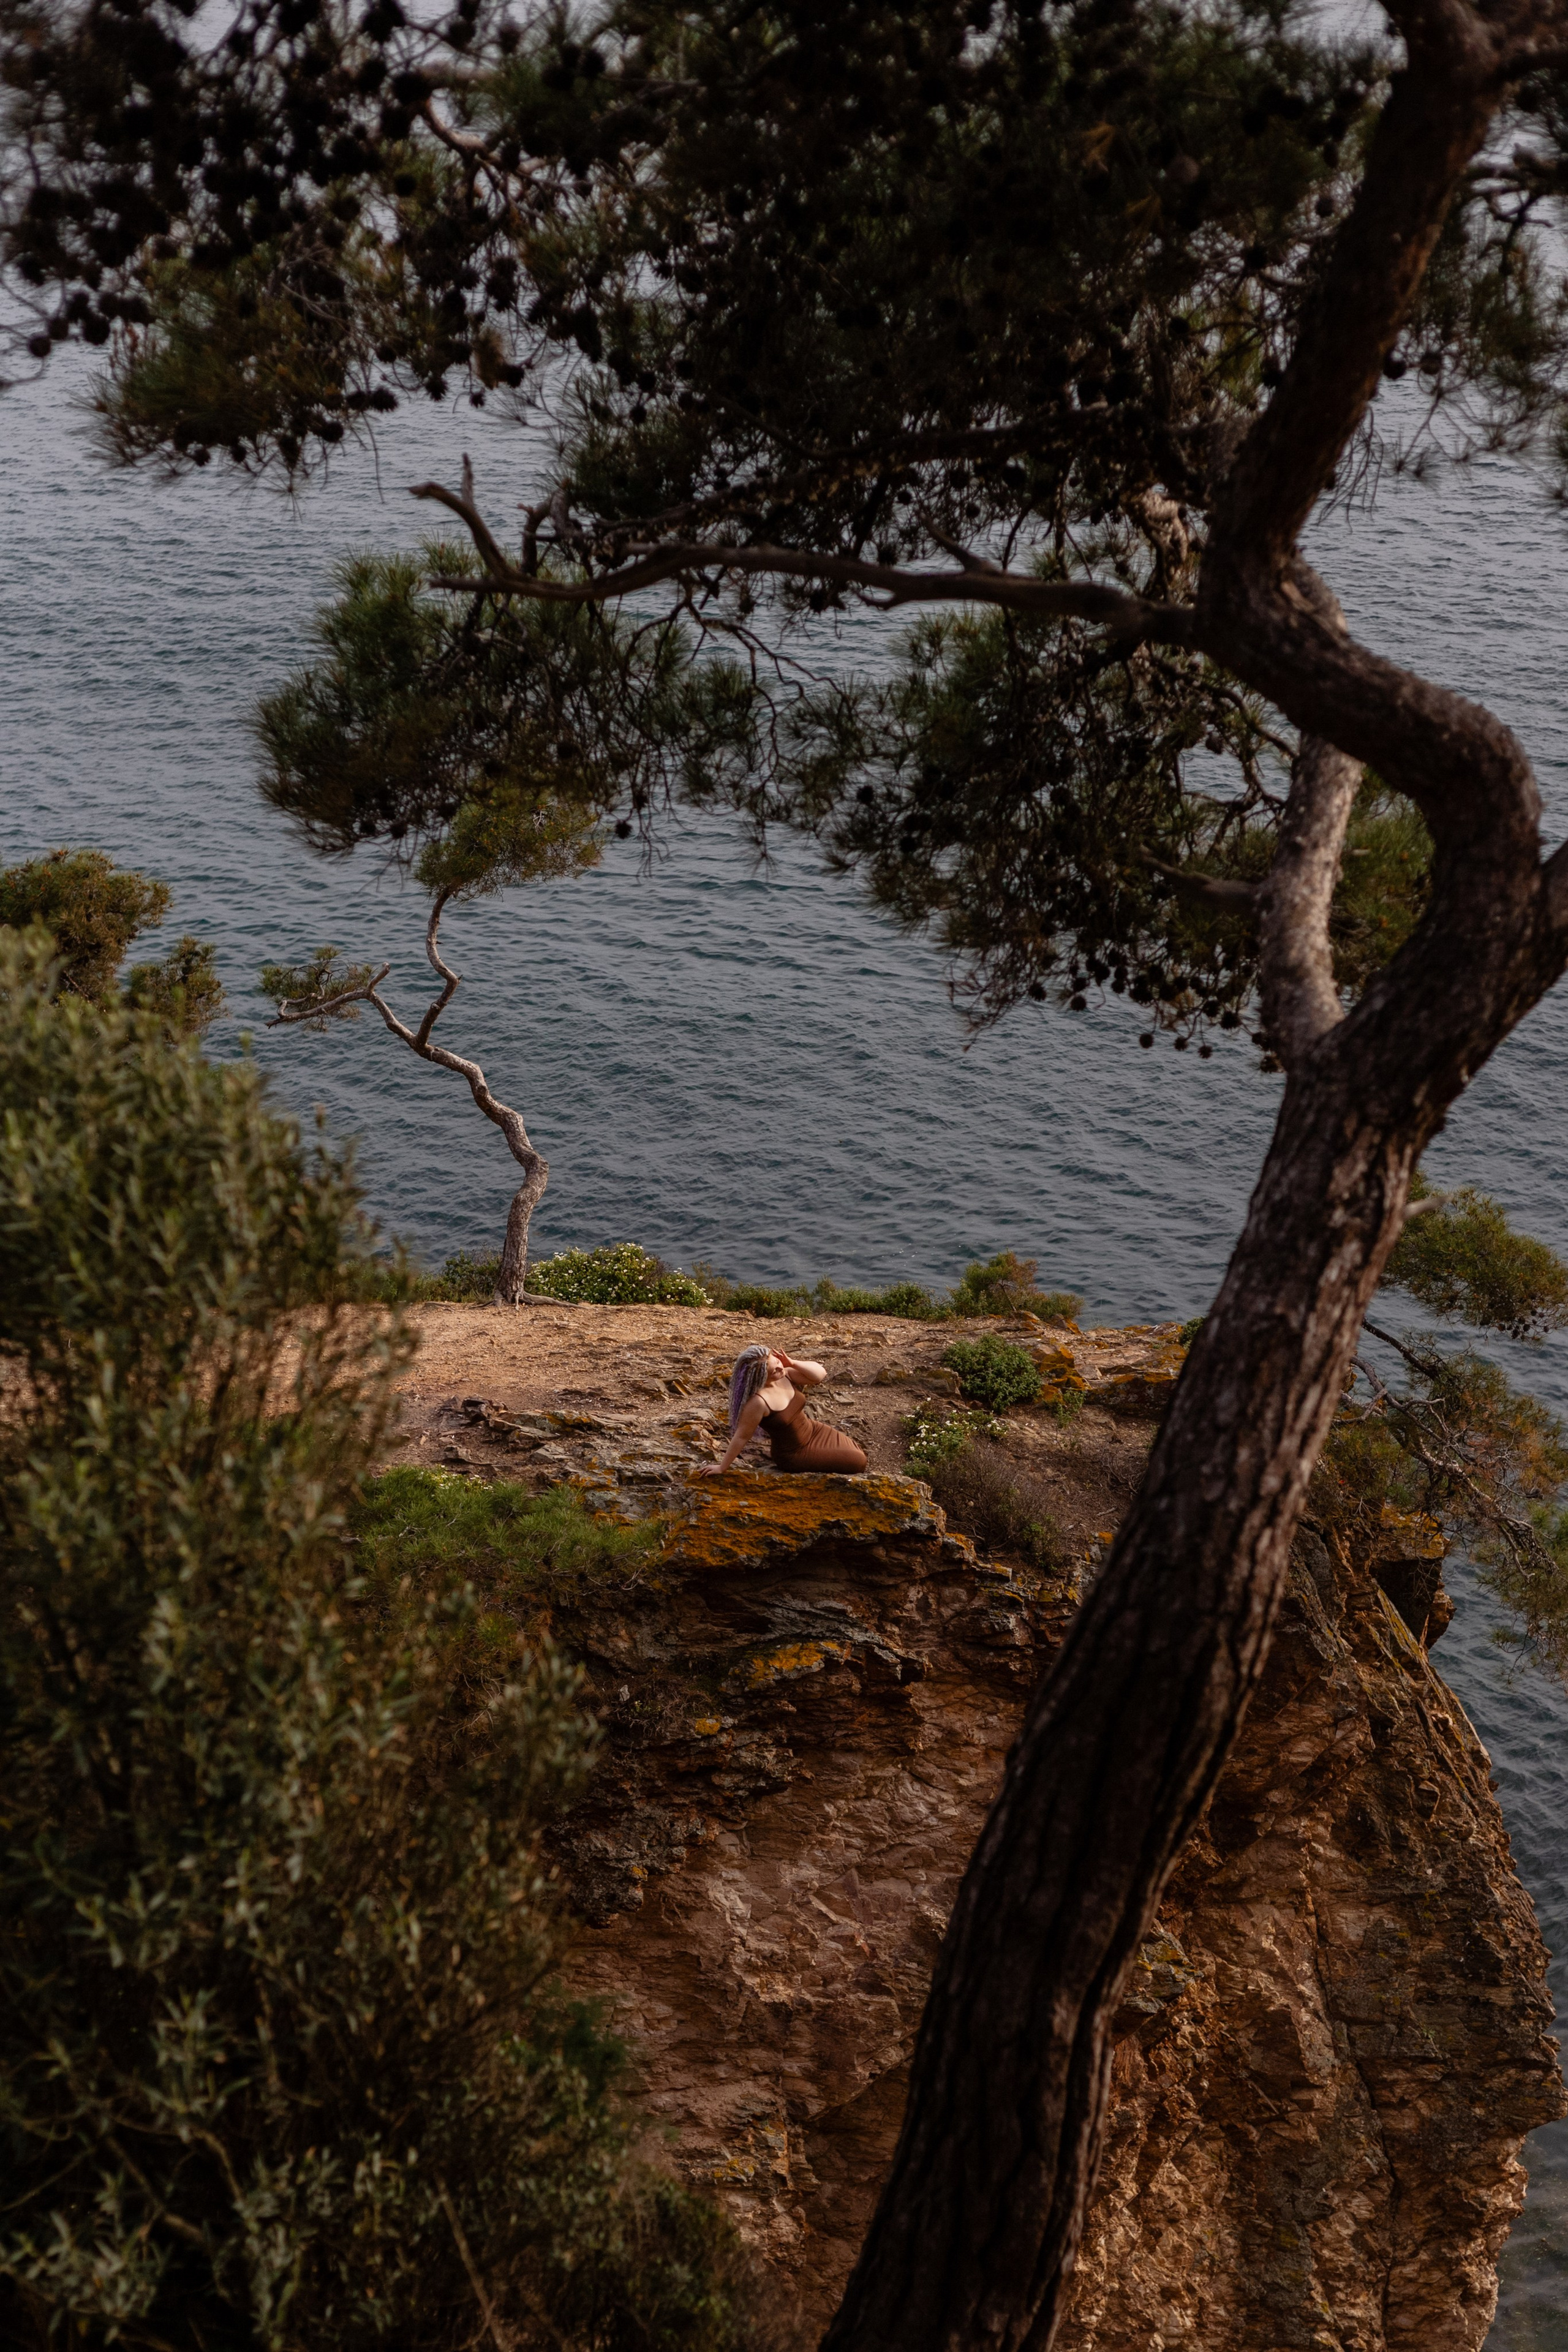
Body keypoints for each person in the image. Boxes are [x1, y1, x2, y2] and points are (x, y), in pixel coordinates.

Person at [696, 1342, 868, 1476]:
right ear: (761, 1377)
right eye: (774, 1371)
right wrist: (722, 1467)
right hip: (794, 1453)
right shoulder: (758, 1403)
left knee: (857, 1451)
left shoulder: (786, 1375)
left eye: (778, 1362)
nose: (780, 1368)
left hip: (815, 1430)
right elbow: (741, 1436)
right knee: (858, 1461)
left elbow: (820, 1375)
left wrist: (792, 1363)